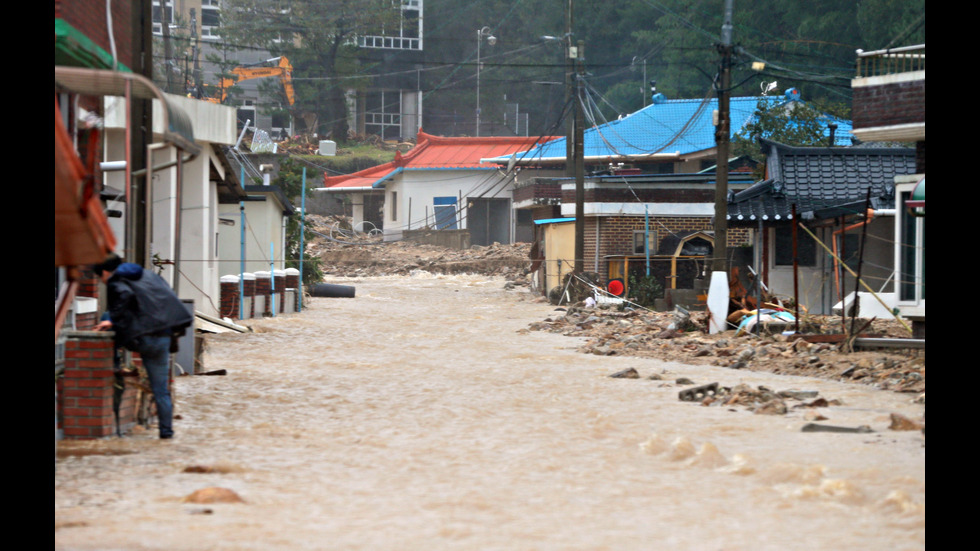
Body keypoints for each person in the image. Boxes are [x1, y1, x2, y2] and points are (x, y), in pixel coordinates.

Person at [94, 254, 193, 439]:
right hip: (163, 336)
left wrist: (113, 320)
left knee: (106, 318)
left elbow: (125, 295)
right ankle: (166, 432)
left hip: (144, 338)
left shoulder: (117, 281)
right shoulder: (149, 275)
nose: (102, 281)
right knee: (161, 390)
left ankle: (115, 365)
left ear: (106, 272)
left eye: (101, 277)